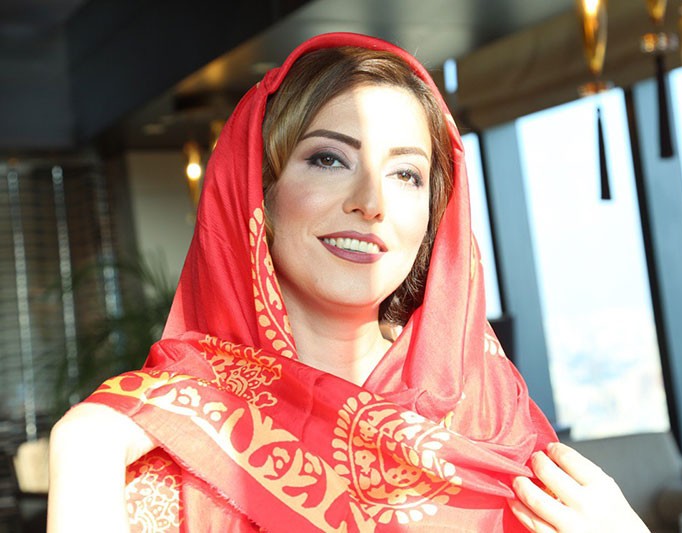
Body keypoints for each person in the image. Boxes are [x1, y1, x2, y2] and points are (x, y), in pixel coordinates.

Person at [48, 33, 649, 532]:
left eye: (407, 174)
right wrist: (81, 449)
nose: (372, 201)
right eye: (329, 159)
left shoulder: (487, 411)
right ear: (258, 193)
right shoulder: (160, 442)